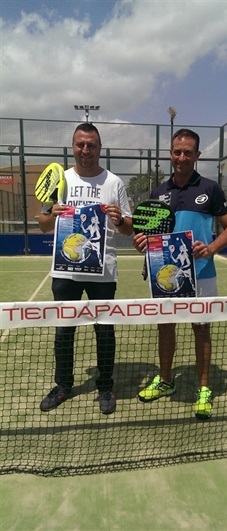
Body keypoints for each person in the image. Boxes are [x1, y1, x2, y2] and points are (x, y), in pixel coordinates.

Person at [134, 128, 227, 419]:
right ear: (170, 153)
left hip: (202, 273)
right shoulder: (158, 192)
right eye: (177, 152)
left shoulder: (210, 188)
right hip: (165, 275)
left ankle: (203, 388)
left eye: (187, 152)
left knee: (201, 329)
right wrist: (142, 241)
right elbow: (147, 234)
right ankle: (165, 380)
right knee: (165, 327)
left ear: (197, 155)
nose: (181, 157)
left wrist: (211, 248)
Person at [38, 123, 133, 415]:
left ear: (100, 148)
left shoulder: (114, 183)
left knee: (104, 331)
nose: (85, 150)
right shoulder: (60, 180)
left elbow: (129, 229)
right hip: (65, 271)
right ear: (73, 146)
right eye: (80, 144)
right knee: (64, 331)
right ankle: (63, 384)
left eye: (91, 145)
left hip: (103, 271)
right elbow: (42, 225)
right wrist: (51, 215)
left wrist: (118, 219)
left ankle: (106, 386)